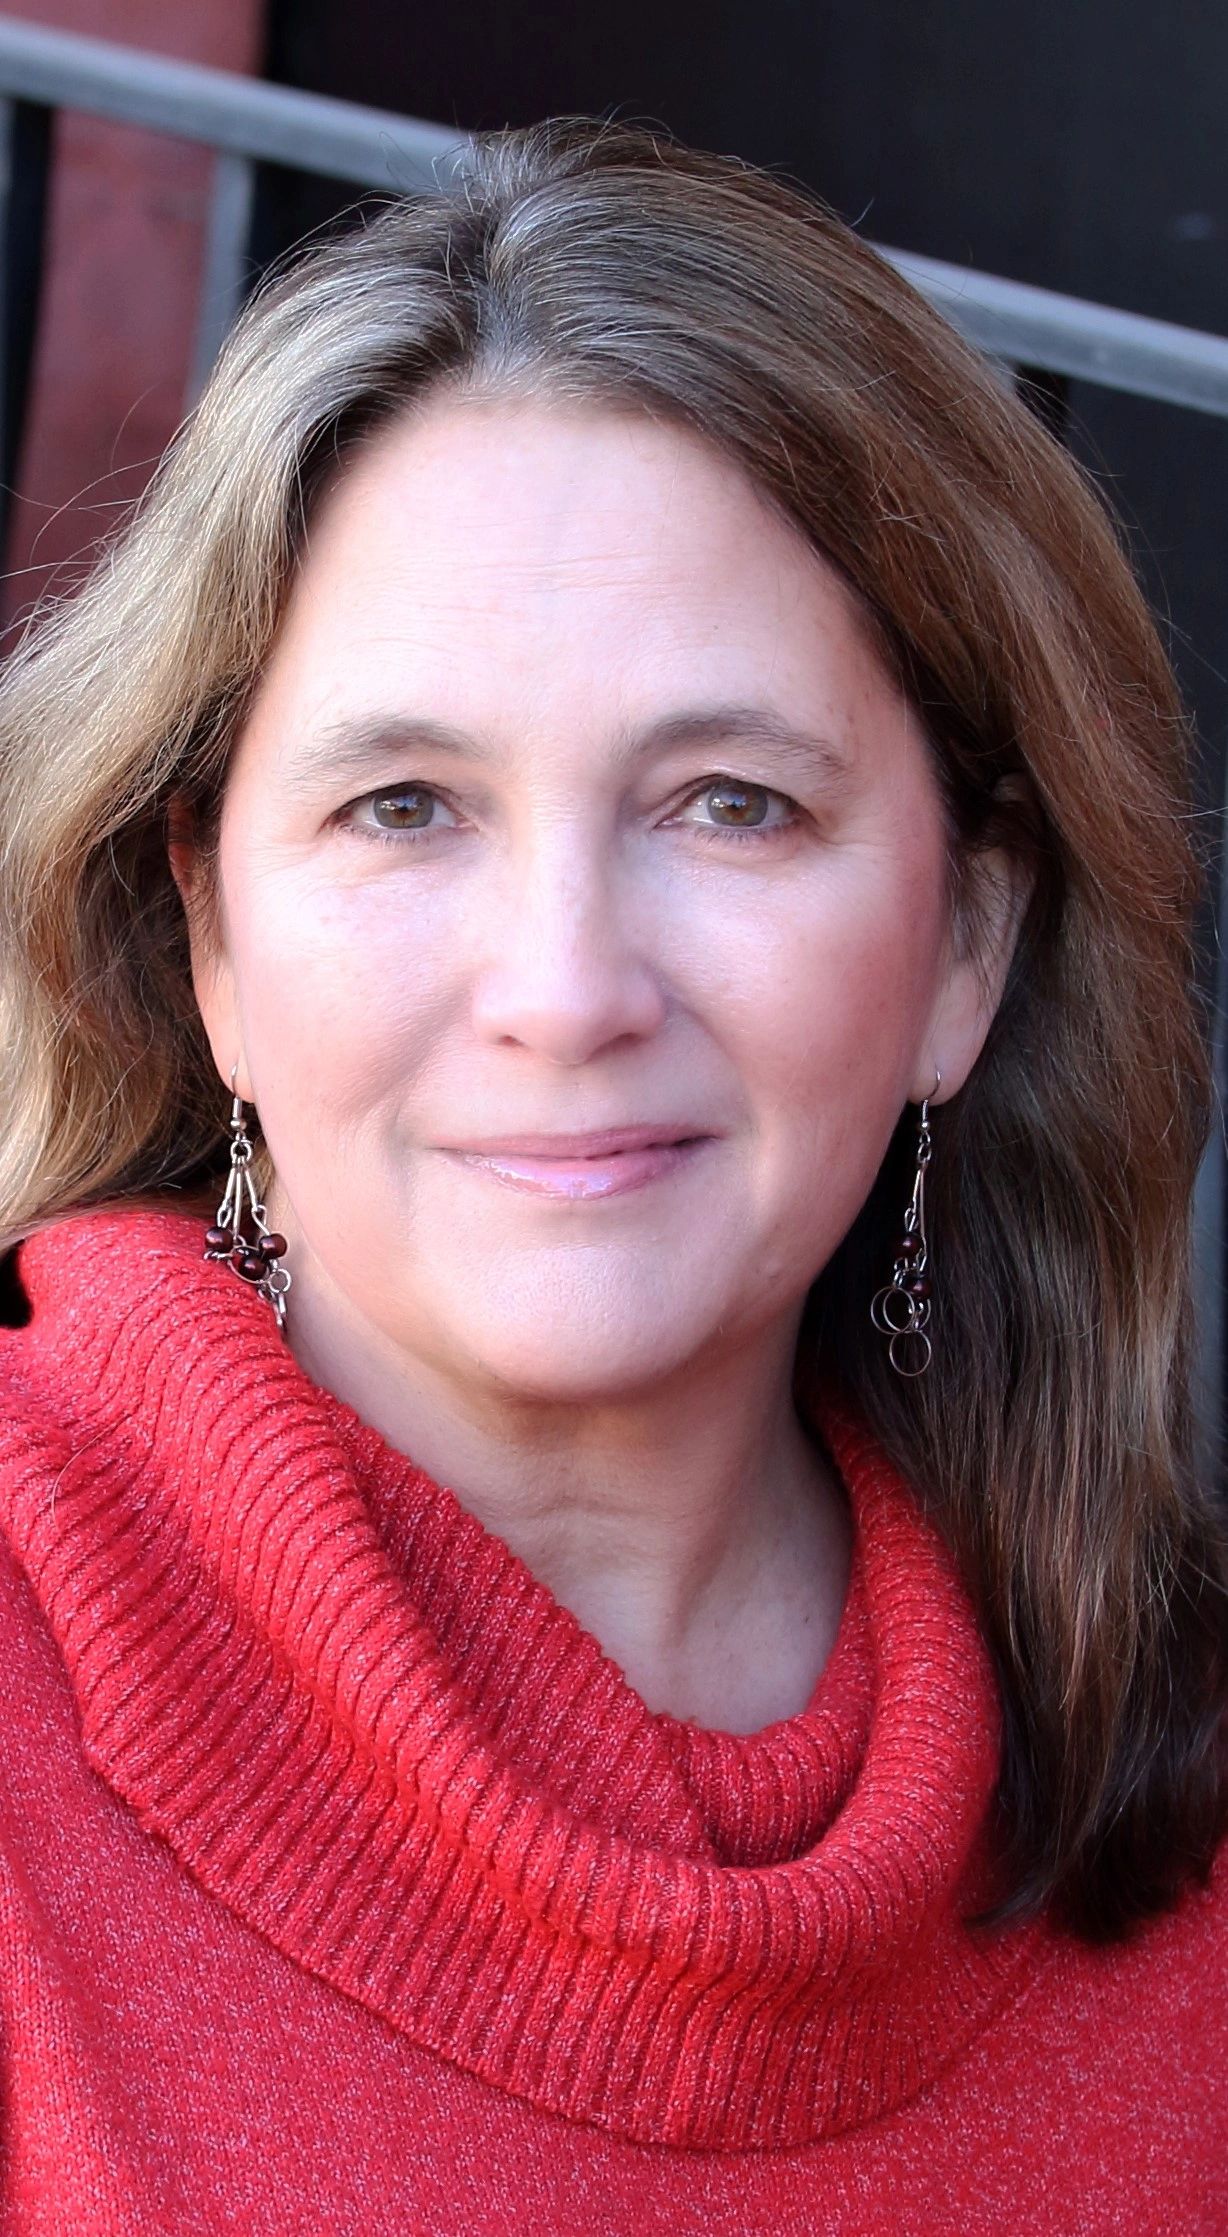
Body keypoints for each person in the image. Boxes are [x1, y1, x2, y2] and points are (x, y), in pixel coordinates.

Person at [0, 115, 1223, 2235]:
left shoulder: (1167, 1808)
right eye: (404, 805)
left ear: (966, 942)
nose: (563, 991)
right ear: (208, 942)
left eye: (730, 802)